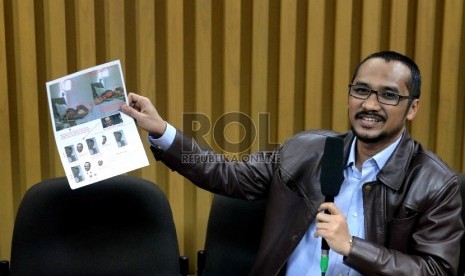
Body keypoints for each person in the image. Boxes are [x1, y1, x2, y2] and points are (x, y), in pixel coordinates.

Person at [120, 51, 464, 275]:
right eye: (361, 90)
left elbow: (437, 271)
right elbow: (227, 175)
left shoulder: (435, 183)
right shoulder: (308, 151)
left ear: (413, 108)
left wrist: (352, 247)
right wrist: (163, 131)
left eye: (388, 95)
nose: (370, 104)